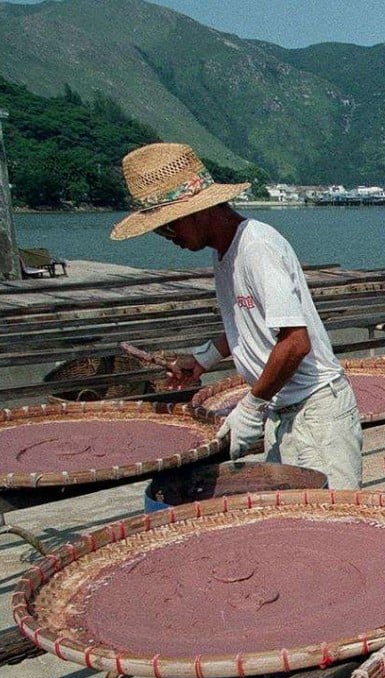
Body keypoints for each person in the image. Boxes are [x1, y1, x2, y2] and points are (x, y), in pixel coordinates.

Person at [110, 142, 362, 489]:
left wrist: (251, 405)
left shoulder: (256, 247)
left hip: (316, 415)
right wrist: (203, 358)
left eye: (169, 227)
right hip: (283, 412)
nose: (169, 238)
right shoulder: (223, 253)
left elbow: (296, 343)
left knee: (333, 523)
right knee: (292, 517)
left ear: (198, 212)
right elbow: (252, 327)